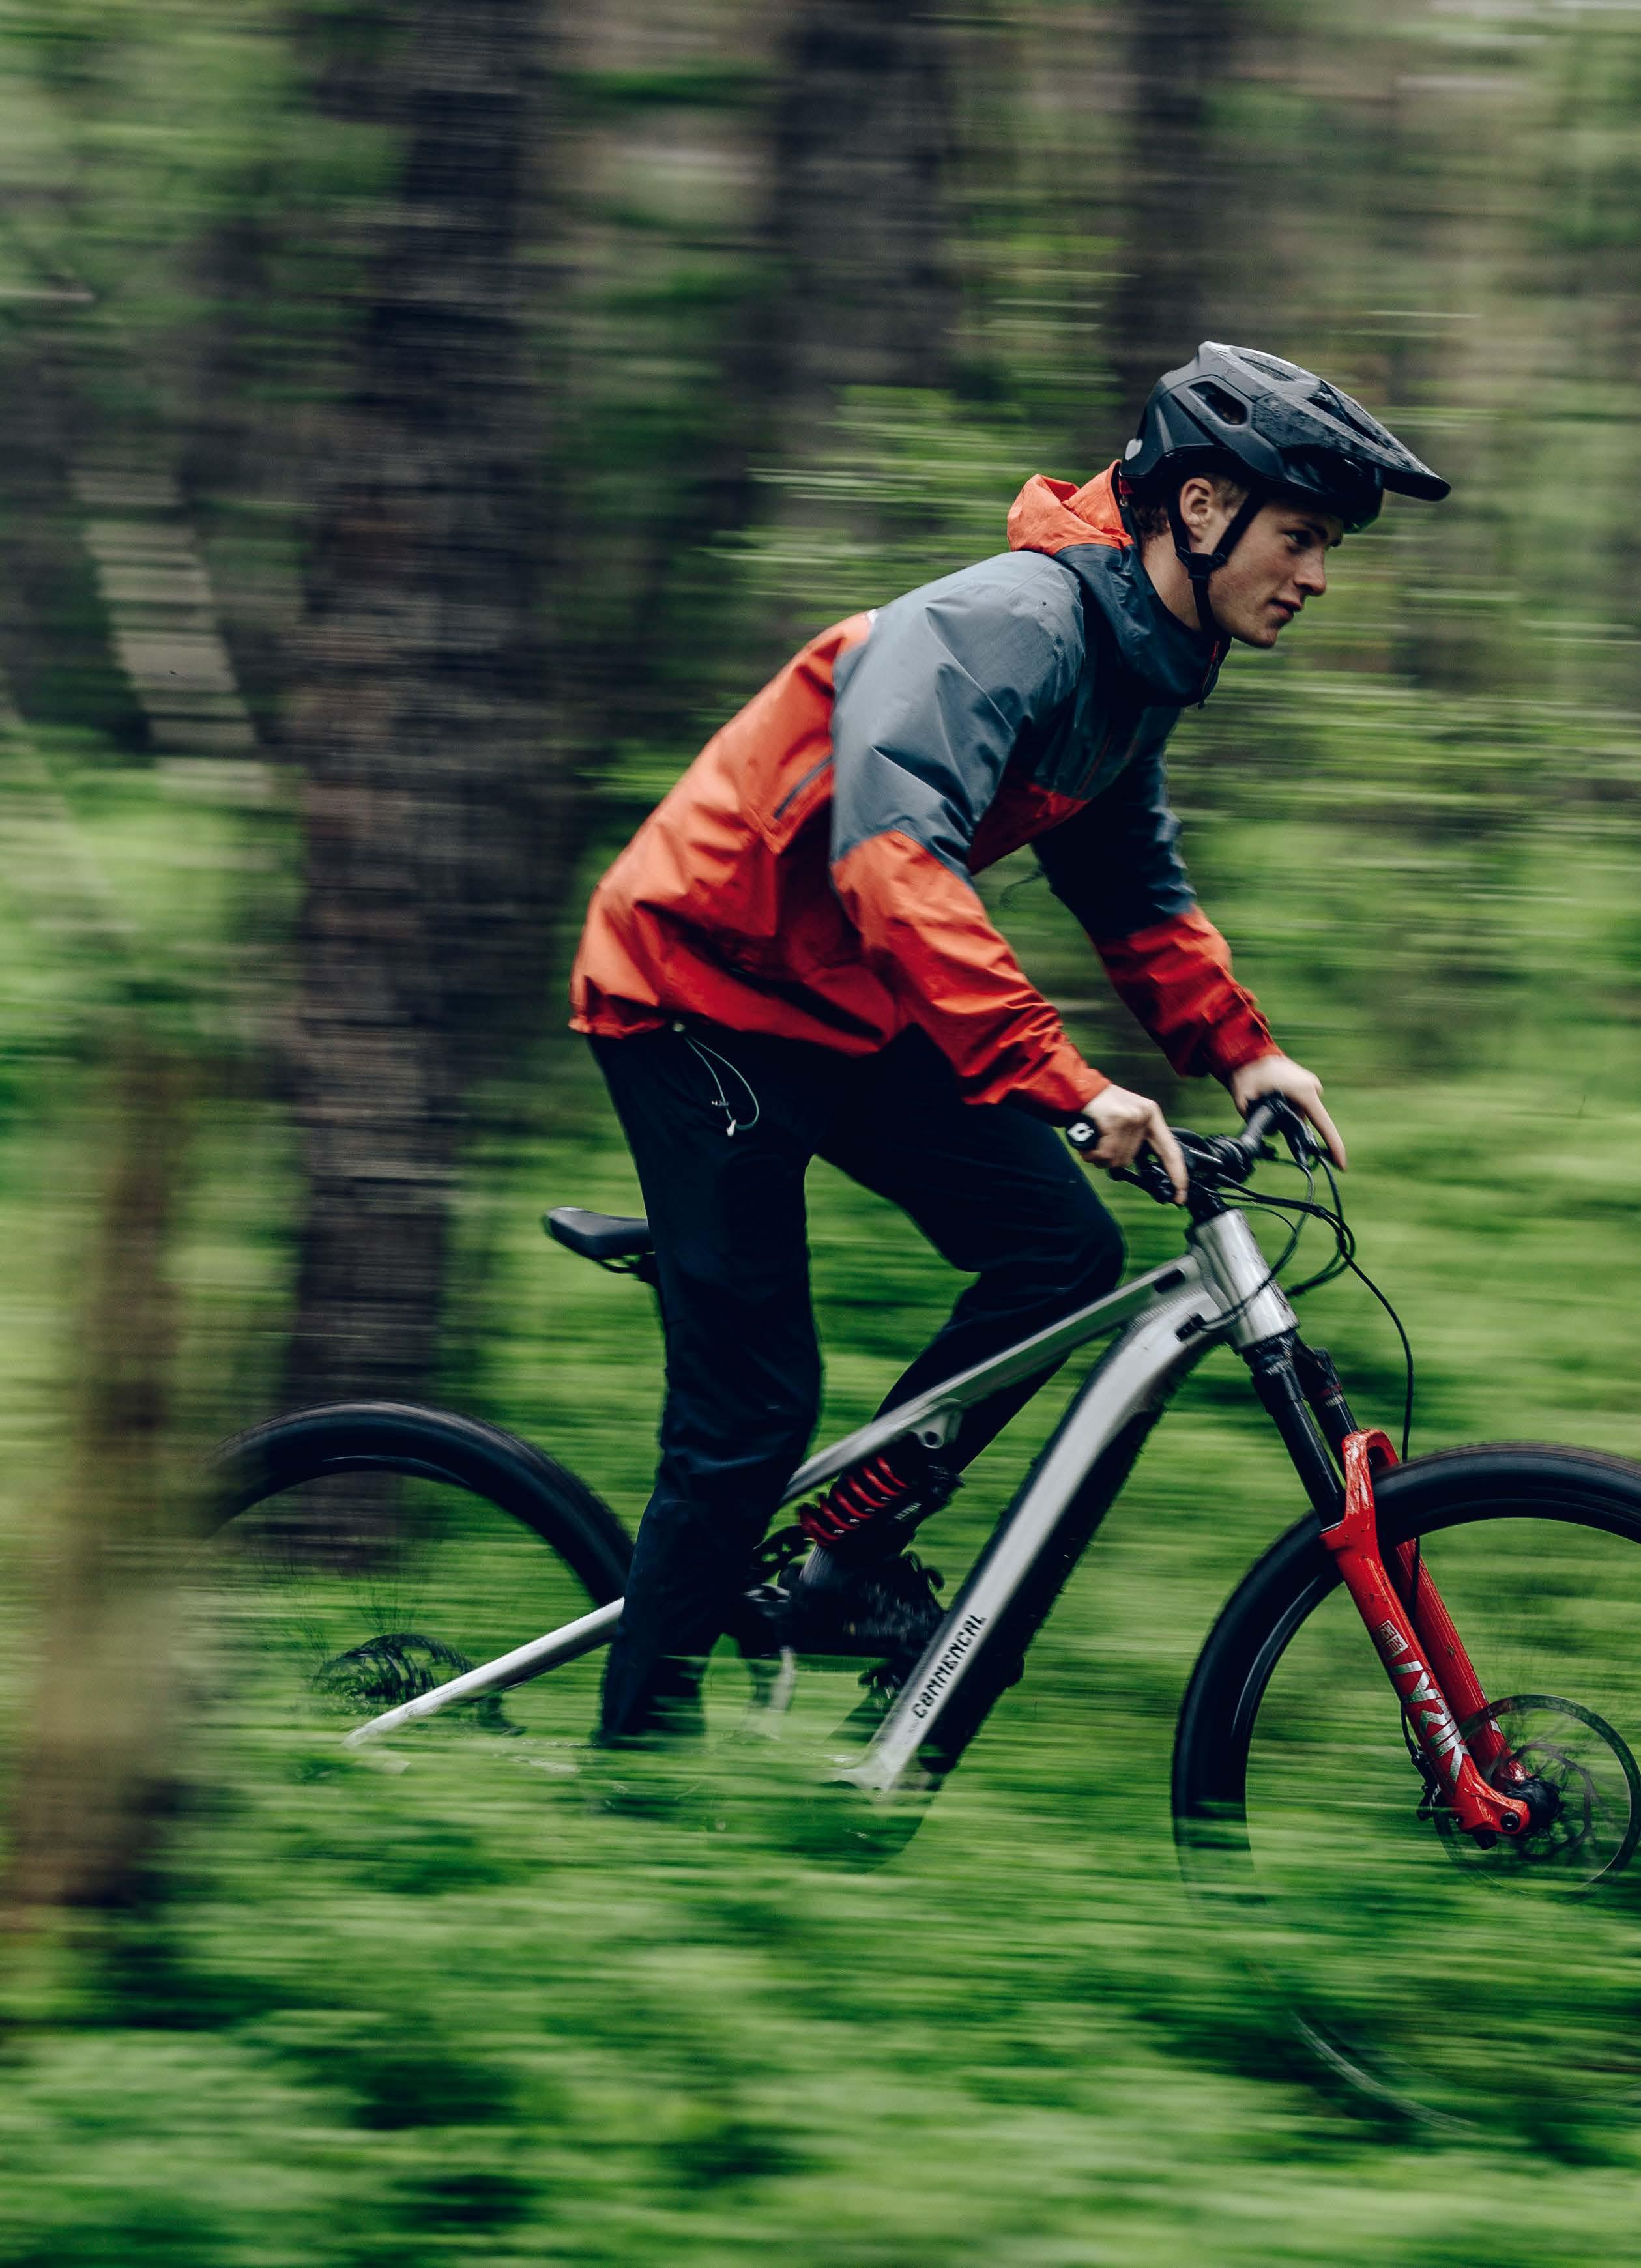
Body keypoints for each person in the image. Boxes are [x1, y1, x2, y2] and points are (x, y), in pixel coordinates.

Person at [570, 341, 1449, 1745]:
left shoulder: (1136, 662)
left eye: (1327, 546)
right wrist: (1069, 1084)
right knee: (750, 1417)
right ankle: (632, 1773)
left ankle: (842, 1560)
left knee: (1058, 1254)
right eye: (1300, 535)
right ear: (1202, 506)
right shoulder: (1010, 624)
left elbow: (1129, 883)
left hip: (843, 995)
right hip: (698, 992)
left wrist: (1242, 1052)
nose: (1317, 575)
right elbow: (892, 859)